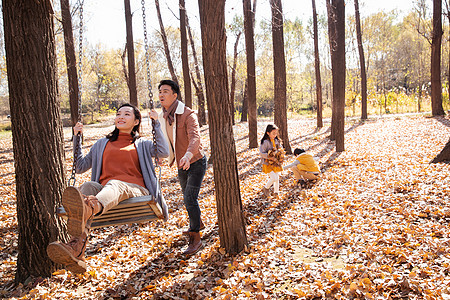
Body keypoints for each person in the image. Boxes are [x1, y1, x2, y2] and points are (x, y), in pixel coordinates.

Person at [46, 103, 170, 273]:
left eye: (127, 114)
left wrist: (156, 123)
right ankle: (76, 249)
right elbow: (80, 166)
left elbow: (163, 152)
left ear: (136, 121)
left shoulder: (142, 143)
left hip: (135, 189)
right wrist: (77, 137)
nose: (121, 116)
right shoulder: (101, 144)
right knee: (88, 186)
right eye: (119, 113)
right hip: (106, 192)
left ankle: (89, 208)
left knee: (115, 183)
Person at [158, 79, 207, 256]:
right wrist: (162, 155)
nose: (161, 95)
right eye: (160, 92)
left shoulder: (188, 114)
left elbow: (195, 138)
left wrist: (187, 155)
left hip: (195, 162)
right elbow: (164, 139)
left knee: (189, 198)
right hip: (181, 163)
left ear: (175, 95)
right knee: (188, 198)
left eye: (165, 91)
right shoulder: (164, 115)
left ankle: (196, 237)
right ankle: (198, 222)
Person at [259, 124, 285, 197]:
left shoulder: (277, 140)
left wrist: (280, 155)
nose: (275, 135)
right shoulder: (265, 142)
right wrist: (269, 157)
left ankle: (276, 193)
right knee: (274, 177)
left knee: (277, 178)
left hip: (276, 162)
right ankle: (266, 188)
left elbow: (280, 149)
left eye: (276, 133)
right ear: (268, 133)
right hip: (268, 163)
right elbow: (261, 153)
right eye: (273, 133)